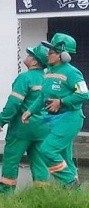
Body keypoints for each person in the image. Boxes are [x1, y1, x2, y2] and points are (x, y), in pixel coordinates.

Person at [22, 33, 89, 189]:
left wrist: (62, 101)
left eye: (51, 52)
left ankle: (71, 185)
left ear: (62, 55)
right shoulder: (49, 72)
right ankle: (73, 195)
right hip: (54, 120)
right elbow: (42, 96)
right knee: (65, 156)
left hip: (70, 118)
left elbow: (84, 94)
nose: (47, 54)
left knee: (47, 150)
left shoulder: (72, 72)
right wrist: (30, 111)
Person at [0, 45, 50, 194]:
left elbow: (14, 102)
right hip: (43, 129)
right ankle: (42, 195)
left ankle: (5, 194)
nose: (27, 56)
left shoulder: (24, 78)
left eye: (30, 54)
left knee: (11, 160)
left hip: (22, 129)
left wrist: (2, 120)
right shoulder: (48, 78)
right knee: (40, 163)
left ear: (35, 62)